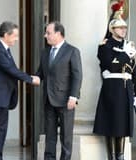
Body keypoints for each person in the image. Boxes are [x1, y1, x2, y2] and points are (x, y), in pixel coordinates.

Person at [0, 21, 40, 160]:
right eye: (15, 36)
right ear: (6, 35)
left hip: (2, 97)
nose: (17, 39)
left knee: (0, 131)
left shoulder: (5, 50)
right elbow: (11, 70)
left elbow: (11, 71)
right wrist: (30, 79)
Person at [93, 17, 136, 160]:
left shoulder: (128, 46)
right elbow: (112, 65)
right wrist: (125, 54)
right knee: (111, 125)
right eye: (120, 28)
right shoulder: (105, 46)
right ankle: (112, 157)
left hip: (126, 90)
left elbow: (134, 73)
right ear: (112, 30)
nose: (123, 30)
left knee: (122, 127)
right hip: (112, 90)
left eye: (125, 28)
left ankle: (120, 156)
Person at [36, 21, 83, 160]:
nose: (46, 36)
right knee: (50, 136)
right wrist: (29, 78)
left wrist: (73, 97)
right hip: (48, 100)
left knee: (66, 137)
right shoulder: (45, 52)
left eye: (48, 33)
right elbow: (40, 73)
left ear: (58, 34)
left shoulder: (72, 51)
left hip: (66, 101)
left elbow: (77, 75)